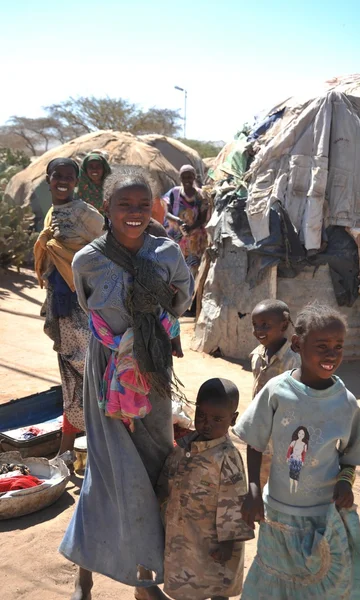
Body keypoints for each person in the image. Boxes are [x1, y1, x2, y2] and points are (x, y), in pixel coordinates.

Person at [59, 166, 194, 600]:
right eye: (124, 205)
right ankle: (87, 574)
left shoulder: (168, 253)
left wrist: (152, 325)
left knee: (152, 467)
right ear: (107, 208)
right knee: (109, 471)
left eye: (142, 205)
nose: (134, 213)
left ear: (152, 208)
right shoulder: (88, 260)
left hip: (151, 369)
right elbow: (87, 304)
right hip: (107, 371)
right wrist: (125, 339)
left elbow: (183, 300)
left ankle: (143, 576)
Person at [234, 302, 360, 599]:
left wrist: (344, 482)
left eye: (338, 346)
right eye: (322, 345)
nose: (331, 354)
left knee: (317, 586)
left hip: (322, 518)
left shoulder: (346, 403)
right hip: (278, 513)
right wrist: (251, 490)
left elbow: (350, 458)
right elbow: (255, 442)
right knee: (275, 580)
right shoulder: (276, 391)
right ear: (298, 344)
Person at [157, 378, 254, 600]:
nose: (206, 424)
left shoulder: (227, 457)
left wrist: (228, 544)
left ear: (233, 419)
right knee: (188, 585)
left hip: (215, 542)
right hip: (185, 536)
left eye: (217, 419)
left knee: (217, 586)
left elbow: (235, 502)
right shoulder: (184, 445)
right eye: (201, 416)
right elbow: (166, 478)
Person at [34, 158, 104, 458]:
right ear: (48, 179)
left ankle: (101, 442)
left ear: (76, 181)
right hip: (60, 303)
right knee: (71, 373)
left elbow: (105, 250)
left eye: (68, 176)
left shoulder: (86, 214)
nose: (62, 181)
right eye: (57, 176)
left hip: (82, 305)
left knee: (89, 370)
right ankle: (69, 447)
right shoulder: (52, 212)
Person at [250, 299, 301, 490]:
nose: (258, 330)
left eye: (265, 325)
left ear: (284, 325)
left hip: (284, 432)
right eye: (255, 325)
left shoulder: (293, 360)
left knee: (282, 482)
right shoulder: (256, 354)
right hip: (261, 428)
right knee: (261, 478)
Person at [164, 164, 207, 282]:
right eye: (184, 177)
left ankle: (189, 294)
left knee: (191, 269)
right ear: (180, 178)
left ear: (194, 178)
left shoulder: (200, 195)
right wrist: (176, 220)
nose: (187, 180)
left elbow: (202, 218)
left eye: (190, 177)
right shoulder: (174, 193)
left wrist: (191, 228)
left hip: (194, 238)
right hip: (176, 235)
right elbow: (166, 212)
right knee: (173, 266)